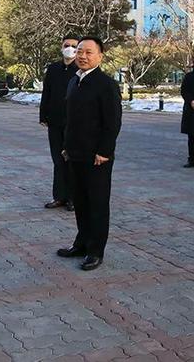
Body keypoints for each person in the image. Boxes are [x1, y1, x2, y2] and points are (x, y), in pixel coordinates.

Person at [57, 36, 122, 271]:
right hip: (75, 153)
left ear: (100, 56)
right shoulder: (74, 81)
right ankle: (81, 244)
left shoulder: (106, 84)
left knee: (97, 203)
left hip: (97, 157)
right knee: (81, 202)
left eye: (88, 52)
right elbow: (70, 119)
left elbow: (112, 122)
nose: (82, 56)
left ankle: (96, 251)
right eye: (80, 51)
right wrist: (66, 146)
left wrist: (105, 151)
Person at [40, 36, 79, 211]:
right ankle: (59, 196)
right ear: (61, 47)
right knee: (57, 160)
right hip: (55, 122)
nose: (69, 48)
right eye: (66, 45)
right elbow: (46, 92)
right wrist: (43, 115)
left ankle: (73, 198)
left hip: (74, 124)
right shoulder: (54, 69)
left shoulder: (80, 69)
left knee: (71, 160)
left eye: (73, 46)